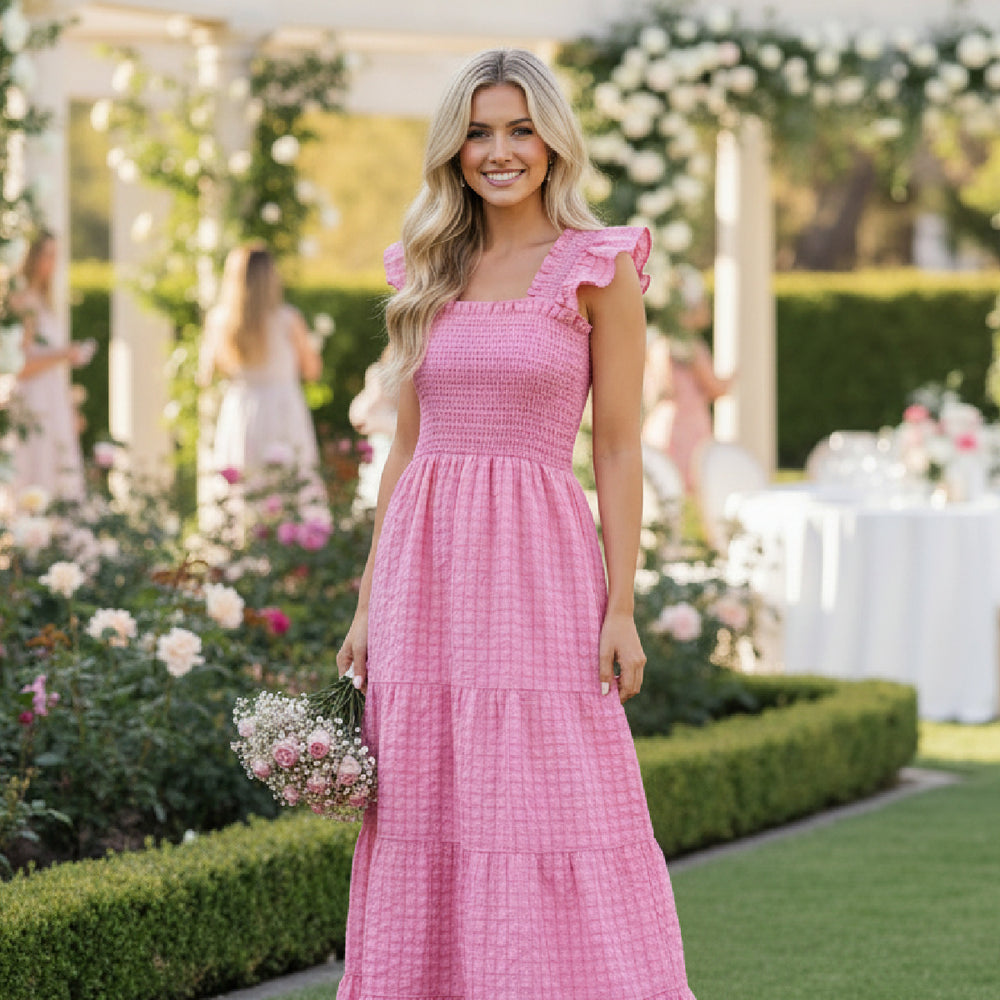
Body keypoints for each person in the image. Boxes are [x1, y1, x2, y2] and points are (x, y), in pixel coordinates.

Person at [335, 49, 697, 1000]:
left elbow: (618, 449)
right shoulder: (424, 266)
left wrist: (621, 606)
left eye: (520, 128)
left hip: (537, 563)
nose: (500, 151)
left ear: (552, 140)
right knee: (425, 801)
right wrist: (370, 600)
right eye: (480, 132)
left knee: (553, 790)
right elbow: (406, 448)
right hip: (424, 566)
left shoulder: (598, 266)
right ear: (455, 149)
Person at [197, 242, 323, 506]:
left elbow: (205, 377)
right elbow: (313, 371)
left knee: (243, 489)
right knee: (290, 488)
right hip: (283, 409)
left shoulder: (220, 321)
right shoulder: (288, 319)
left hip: (241, 411)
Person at [6, 230, 95, 502]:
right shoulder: (21, 301)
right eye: (47, 254)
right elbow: (19, 365)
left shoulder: (45, 301)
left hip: (52, 397)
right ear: (30, 256)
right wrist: (64, 354)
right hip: (32, 401)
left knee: (60, 470)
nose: (52, 262)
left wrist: (68, 406)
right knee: (35, 469)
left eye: (55, 254)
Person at [642, 266, 732, 493]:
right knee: (692, 493)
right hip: (689, 427)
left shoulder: (657, 343)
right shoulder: (691, 347)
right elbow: (715, 388)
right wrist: (734, 377)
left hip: (658, 426)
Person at [348, 347, 398, 510]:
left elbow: (366, 406)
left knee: (378, 473)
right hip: (391, 429)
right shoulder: (386, 373)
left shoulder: (378, 372)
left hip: (383, 431)